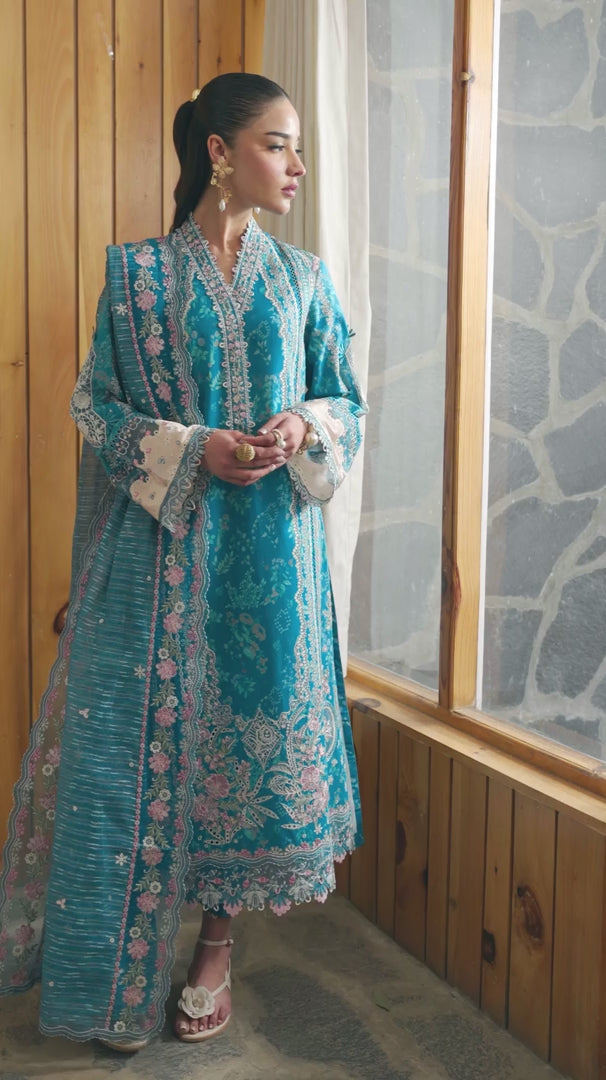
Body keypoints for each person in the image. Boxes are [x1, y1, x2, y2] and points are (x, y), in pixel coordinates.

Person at [0, 72, 367, 1051]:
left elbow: (345, 397)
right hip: (164, 550)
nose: (296, 164)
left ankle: (214, 947)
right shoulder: (135, 278)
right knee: (145, 752)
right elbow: (95, 406)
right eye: (278, 144)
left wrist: (304, 424)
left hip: (272, 561)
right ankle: (120, 964)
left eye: (297, 146)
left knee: (246, 750)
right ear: (219, 152)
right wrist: (192, 448)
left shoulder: (303, 278)